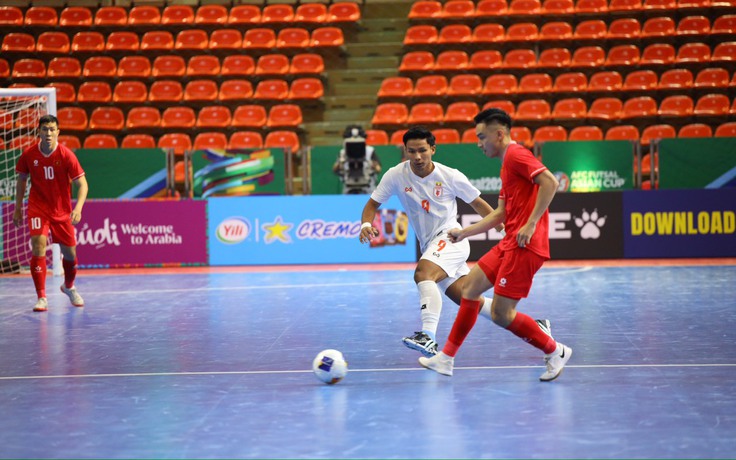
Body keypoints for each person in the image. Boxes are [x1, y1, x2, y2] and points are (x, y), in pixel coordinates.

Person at [418, 108, 572, 382]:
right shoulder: (506, 164)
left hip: (526, 246)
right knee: (470, 289)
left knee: (501, 314)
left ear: (499, 134)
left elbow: (549, 181)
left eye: (482, 137)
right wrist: (464, 233)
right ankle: (446, 358)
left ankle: (555, 350)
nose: (479, 144)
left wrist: (532, 222)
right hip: (510, 242)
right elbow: (500, 213)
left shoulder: (516, 154)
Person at [359, 126, 501, 357]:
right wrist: (366, 225)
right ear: (404, 151)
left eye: (422, 150)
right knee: (467, 298)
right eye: (411, 151)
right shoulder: (396, 175)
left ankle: (428, 336)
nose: (417, 157)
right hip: (429, 244)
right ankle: (534, 326)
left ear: (433, 149)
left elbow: (477, 203)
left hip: (451, 237)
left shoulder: (450, 176)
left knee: (423, 274)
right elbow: (372, 204)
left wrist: (501, 226)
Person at [13, 114, 89, 312]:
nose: (48, 133)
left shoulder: (66, 155)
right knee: (38, 247)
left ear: (58, 132)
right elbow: (21, 180)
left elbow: (82, 184)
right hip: (38, 208)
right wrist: (18, 207)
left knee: (70, 255)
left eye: (52, 129)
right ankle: (41, 297)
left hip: (62, 211)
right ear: (39, 131)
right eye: (45, 129)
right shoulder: (29, 154)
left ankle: (69, 287)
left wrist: (78, 208)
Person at [333, 125, 382, 194]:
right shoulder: (343, 152)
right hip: (348, 186)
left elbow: (378, 169)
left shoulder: (370, 151)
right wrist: (339, 164)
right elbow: (335, 169)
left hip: (368, 186)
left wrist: (373, 165)